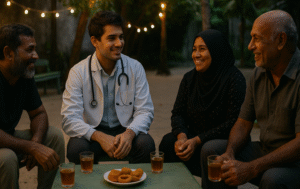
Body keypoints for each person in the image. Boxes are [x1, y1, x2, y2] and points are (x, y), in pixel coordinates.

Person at [201, 10, 300, 189]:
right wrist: (230, 153)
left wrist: (252, 168)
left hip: (295, 163)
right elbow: (243, 123)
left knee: (272, 179)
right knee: (213, 151)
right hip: (265, 150)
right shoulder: (259, 74)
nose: (250, 46)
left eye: (257, 38)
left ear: (281, 41)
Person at [61, 11, 155, 164]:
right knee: (75, 148)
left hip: (125, 130)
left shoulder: (135, 68)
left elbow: (145, 111)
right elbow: (69, 118)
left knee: (146, 144)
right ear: (95, 41)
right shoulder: (78, 72)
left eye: (121, 37)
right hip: (94, 133)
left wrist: (129, 134)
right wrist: (99, 136)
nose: (119, 43)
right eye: (112, 38)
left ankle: (133, 182)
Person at [159, 29, 246, 176]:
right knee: (168, 143)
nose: (196, 55)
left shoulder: (234, 79)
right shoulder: (189, 78)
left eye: (202, 49)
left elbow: (233, 122)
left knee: (210, 149)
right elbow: (178, 113)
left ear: (216, 51)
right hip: (193, 138)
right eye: (194, 49)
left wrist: (197, 141)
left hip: (223, 141)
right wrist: (182, 138)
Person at [0, 24, 65, 189]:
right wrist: (32, 147)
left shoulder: (23, 74)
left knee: (54, 136)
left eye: (35, 49)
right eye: (29, 50)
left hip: (8, 139)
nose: (35, 56)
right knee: (7, 158)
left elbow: (39, 114)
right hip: (4, 151)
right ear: (8, 53)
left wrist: (36, 141)